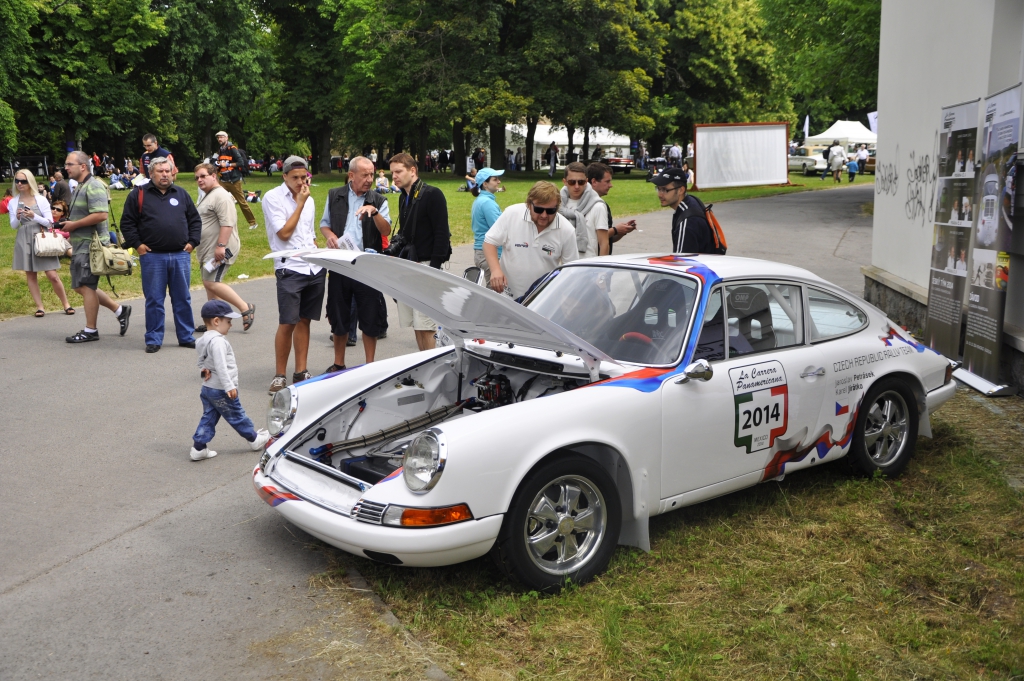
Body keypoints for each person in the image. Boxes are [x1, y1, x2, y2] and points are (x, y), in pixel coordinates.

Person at [119, 156, 200, 353]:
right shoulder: (138, 194)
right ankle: (154, 338)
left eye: (167, 171)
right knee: (154, 299)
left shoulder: (181, 194)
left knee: (182, 298)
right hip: (153, 257)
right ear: (151, 173)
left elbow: (195, 221)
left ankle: (186, 336)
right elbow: (127, 223)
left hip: (180, 256)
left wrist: (192, 242)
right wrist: (137, 245)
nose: (165, 174)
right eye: (160, 171)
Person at [319, 156, 391, 372]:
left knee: (370, 317)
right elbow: (324, 225)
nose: (370, 179)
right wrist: (330, 236)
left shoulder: (378, 200)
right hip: (341, 265)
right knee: (339, 316)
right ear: (351, 175)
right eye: (365, 175)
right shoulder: (335, 195)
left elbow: (386, 231)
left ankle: (370, 365)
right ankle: (338, 363)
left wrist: (374, 212)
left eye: (372, 174)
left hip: (367, 267)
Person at [263, 156, 325, 394]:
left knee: (304, 320)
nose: (301, 182)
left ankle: (301, 370)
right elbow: (284, 234)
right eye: (295, 178)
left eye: (304, 177)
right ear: (284, 177)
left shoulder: (308, 199)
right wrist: (299, 203)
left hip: (313, 266)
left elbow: (308, 232)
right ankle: (280, 375)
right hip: (290, 267)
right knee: (287, 321)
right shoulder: (273, 198)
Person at [61, 151, 132, 343]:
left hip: (91, 246)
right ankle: (120, 310)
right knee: (80, 286)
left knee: (86, 286)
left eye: (69, 164)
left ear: (83, 166)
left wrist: (73, 225)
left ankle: (90, 330)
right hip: (80, 244)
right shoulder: (80, 186)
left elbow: (101, 215)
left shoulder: (94, 186)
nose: (65, 168)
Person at [189, 300, 270, 461]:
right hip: (221, 389)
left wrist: (202, 371)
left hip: (208, 388)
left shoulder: (202, 340)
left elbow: (201, 361)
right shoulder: (218, 341)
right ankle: (254, 439)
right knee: (236, 415)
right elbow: (221, 366)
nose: (231, 325)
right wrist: (228, 386)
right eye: (229, 321)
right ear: (216, 321)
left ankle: (199, 447)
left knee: (209, 416)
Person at [389, 152, 451, 351]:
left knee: (427, 325)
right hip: (409, 265)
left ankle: (433, 371)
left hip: (426, 266)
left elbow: (442, 235)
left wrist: (432, 269)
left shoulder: (433, 194)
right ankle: (424, 366)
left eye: (398, 172)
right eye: (392, 173)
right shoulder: (403, 197)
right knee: (416, 324)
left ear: (412, 170)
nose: (394, 177)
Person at [483, 181, 578, 299]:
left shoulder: (567, 230)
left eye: (550, 211)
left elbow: (571, 269)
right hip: (507, 296)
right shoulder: (512, 214)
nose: (544, 215)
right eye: (538, 209)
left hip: (541, 300)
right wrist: (495, 270)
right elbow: (489, 242)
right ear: (529, 204)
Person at [193, 163, 254, 332]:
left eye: (203, 176)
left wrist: (220, 246)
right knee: (210, 285)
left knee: (211, 282)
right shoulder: (208, 195)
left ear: (214, 176)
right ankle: (214, 323)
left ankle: (245, 307)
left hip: (221, 249)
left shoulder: (221, 195)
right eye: (197, 177)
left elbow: (227, 224)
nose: (199, 180)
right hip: (207, 249)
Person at [8, 170, 74, 316]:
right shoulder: (13, 202)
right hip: (24, 237)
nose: (19, 184)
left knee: (52, 275)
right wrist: (18, 217)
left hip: (42, 235)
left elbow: (50, 223)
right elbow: (13, 226)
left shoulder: (41, 199)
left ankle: (66, 304)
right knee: (31, 275)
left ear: (30, 182)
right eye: (17, 181)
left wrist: (34, 216)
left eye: (23, 181)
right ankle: (40, 307)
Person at [652, 167, 716, 253]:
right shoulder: (691, 201)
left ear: (681, 190)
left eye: (665, 190)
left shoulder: (687, 221)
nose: (660, 194)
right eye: (659, 189)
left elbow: (681, 262)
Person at [586, 162, 637, 255]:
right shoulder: (592, 206)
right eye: (607, 181)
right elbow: (592, 237)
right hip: (593, 262)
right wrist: (616, 230)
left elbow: (608, 239)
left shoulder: (603, 204)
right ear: (594, 182)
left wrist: (622, 231)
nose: (611, 185)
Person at [214, 131, 259, 230]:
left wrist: (228, 165)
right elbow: (219, 161)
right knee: (218, 200)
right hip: (223, 180)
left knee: (242, 202)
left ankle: (253, 222)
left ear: (227, 138)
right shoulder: (220, 149)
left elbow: (241, 162)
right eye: (218, 138)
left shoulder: (232, 149)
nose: (219, 139)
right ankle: (219, 223)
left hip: (233, 180)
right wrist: (217, 164)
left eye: (221, 137)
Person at [559, 161, 603, 258]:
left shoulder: (597, 205)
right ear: (565, 182)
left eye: (581, 182)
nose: (577, 186)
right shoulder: (557, 204)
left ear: (586, 181)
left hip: (588, 263)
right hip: (564, 263)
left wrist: (603, 271)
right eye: (572, 182)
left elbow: (604, 243)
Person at [471, 167, 504, 285]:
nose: (499, 182)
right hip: (489, 254)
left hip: (482, 252)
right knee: (497, 293)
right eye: (495, 179)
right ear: (485, 184)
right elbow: (499, 229)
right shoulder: (487, 203)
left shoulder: (481, 200)